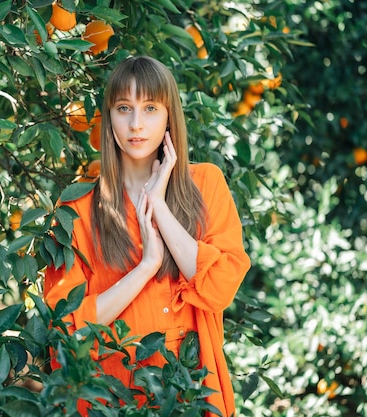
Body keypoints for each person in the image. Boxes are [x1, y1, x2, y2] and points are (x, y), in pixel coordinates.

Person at [44, 55, 251, 416]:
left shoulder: (206, 183)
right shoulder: (76, 206)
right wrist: (147, 265)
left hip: (193, 394)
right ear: (108, 117)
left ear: (170, 115)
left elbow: (219, 288)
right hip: (113, 397)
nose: (136, 124)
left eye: (151, 108)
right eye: (124, 108)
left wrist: (159, 203)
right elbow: (68, 329)